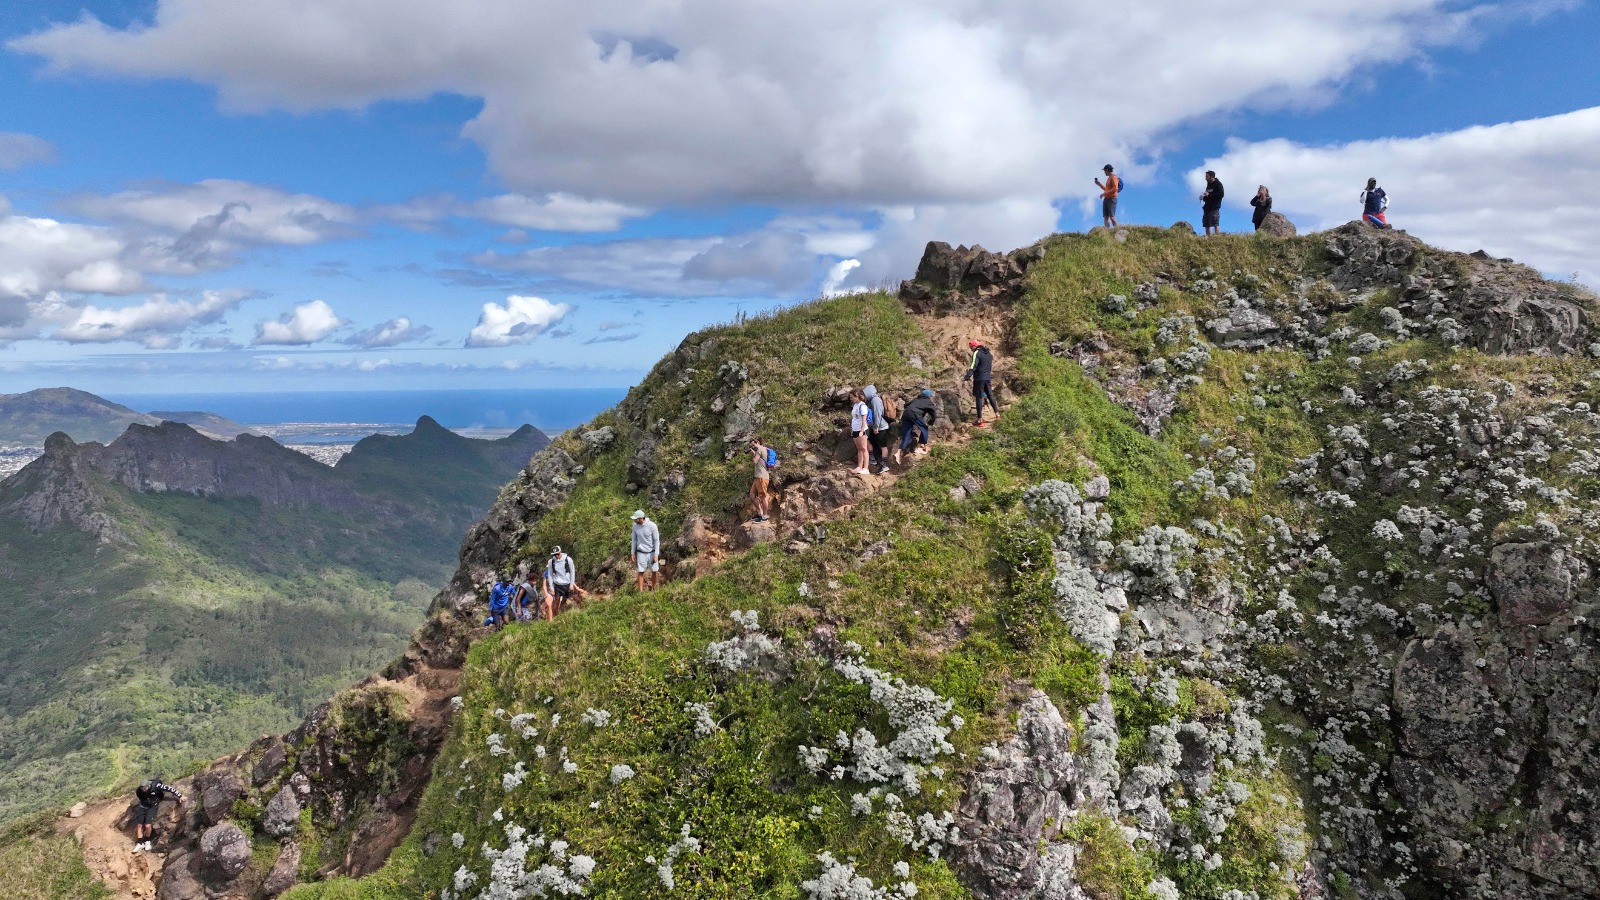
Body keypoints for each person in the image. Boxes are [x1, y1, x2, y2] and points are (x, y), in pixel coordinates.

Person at [130, 778, 184, 852]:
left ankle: (147, 841)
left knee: (147, 825)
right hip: (143, 806)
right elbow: (141, 798)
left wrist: (180, 796)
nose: (144, 789)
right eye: (142, 788)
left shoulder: (156, 786)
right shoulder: (139, 791)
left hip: (153, 806)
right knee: (139, 825)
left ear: (148, 785)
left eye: (145, 787)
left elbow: (170, 789)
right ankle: (140, 843)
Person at [895, 389, 939, 463]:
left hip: (906, 415)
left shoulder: (916, 399)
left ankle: (898, 452)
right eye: (931, 396)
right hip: (915, 415)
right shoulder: (928, 402)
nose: (931, 398)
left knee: (907, 435)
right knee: (924, 428)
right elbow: (933, 414)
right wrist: (930, 422)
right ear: (928, 396)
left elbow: (906, 406)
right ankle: (919, 447)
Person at [962, 340, 999, 427]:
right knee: (990, 395)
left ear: (975, 346)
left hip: (979, 379)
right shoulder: (989, 354)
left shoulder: (976, 353)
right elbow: (989, 366)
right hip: (987, 378)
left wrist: (966, 378)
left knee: (979, 397)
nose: (971, 350)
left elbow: (973, 366)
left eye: (971, 348)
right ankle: (997, 415)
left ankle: (980, 420)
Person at [862, 385, 893, 473]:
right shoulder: (871, 400)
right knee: (868, 440)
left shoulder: (875, 400)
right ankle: (872, 460)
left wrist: (876, 427)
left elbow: (877, 414)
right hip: (874, 426)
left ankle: (885, 465)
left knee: (883, 446)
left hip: (881, 427)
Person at [630, 510, 661, 592]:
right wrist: (632, 552)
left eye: (636, 519)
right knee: (640, 571)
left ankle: (653, 588)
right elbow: (634, 540)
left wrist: (656, 555)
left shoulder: (652, 526)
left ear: (641, 518)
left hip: (652, 552)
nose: (634, 520)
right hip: (641, 552)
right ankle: (641, 592)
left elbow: (656, 540)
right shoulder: (635, 526)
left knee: (654, 570)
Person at [748, 437, 773, 522]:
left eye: (753, 445)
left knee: (763, 496)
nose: (753, 446)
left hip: (762, 477)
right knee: (752, 494)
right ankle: (760, 513)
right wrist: (754, 452)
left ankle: (765, 516)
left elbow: (755, 461)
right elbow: (760, 459)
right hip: (758, 477)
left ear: (757, 442)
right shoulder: (762, 450)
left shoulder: (760, 449)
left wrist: (754, 455)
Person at [546, 546, 576, 618]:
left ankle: (562, 613)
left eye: (558, 554)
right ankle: (556, 615)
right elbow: (550, 574)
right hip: (557, 584)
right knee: (557, 601)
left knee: (564, 600)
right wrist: (551, 587)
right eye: (554, 555)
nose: (556, 556)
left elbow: (572, 572)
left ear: (560, 552)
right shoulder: (551, 562)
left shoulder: (568, 559)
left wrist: (571, 584)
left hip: (567, 584)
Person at [848, 389, 872, 476]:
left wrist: (862, 431)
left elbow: (863, 420)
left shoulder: (862, 406)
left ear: (857, 396)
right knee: (859, 449)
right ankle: (859, 466)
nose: (851, 399)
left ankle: (866, 468)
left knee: (864, 448)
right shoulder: (855, 405)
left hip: (861, 430)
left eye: (852, 397)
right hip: (855, 429)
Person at [1095, 164, 1122, 229]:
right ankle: (1107, 232)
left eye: (1104, 170)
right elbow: (1107, 189)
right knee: (1106, 217)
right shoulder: (1109, 178)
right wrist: (1099, 184)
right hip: (1106, 199)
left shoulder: (1114, 177)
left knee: (1112, 216)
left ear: (1107, 170)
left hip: (1112, 199)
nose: (1104, 172)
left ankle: (1117, 230)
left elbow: (1115, 188)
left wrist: (1104, 193)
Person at [1200, 170, 1224, 236]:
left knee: (1215, 224)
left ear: (1211, 176)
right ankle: (1209, 239)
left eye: (1207, 176)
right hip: (1207, 207)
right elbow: (1208, 196)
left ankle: (1217, 239)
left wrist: (1209, 195)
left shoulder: (1218, 184)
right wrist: (1203, 197)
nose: (1205, 178)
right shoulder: (1208, 185)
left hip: (1214, 207)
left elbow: (1221, 195)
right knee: (1206, 224)